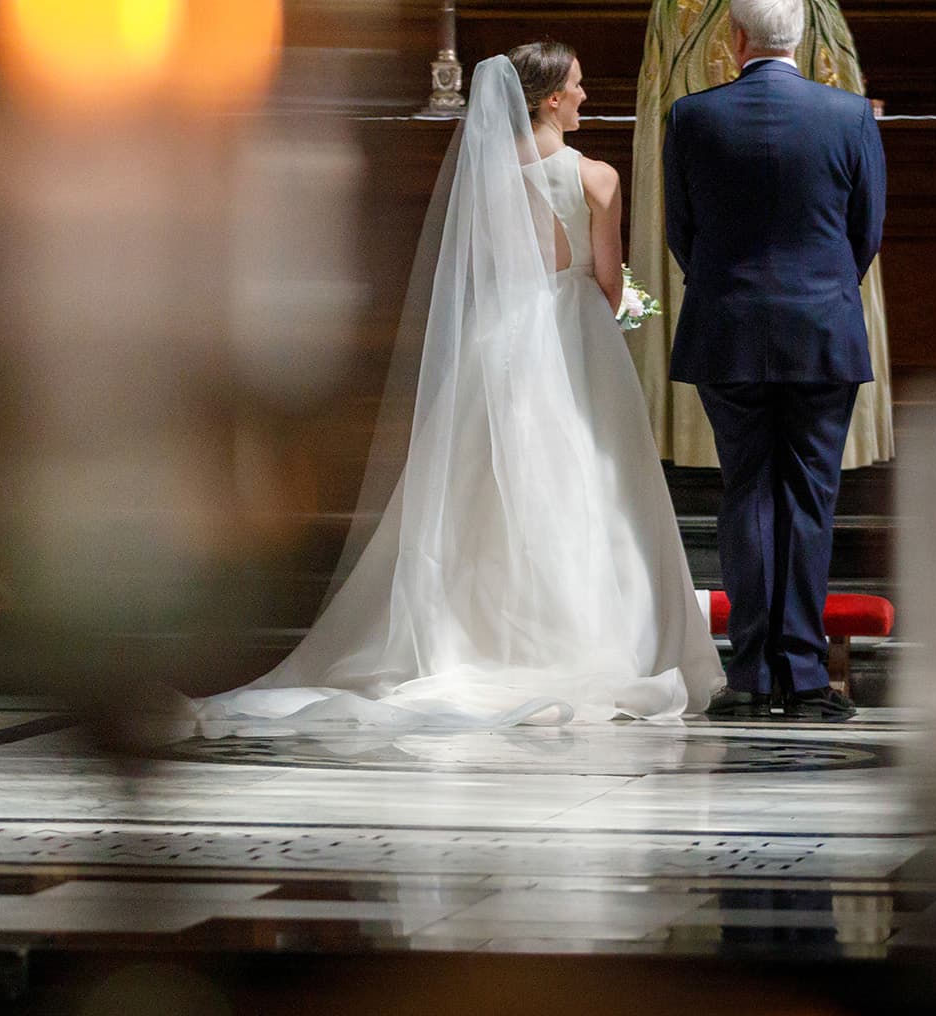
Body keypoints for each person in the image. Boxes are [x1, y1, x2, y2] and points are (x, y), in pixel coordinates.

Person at [192, 44, 723, 730]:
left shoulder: (490, 176)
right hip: (577, 341)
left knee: (490, 487)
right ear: (551, 99)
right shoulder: (596, 177)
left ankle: (480, 633)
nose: (586, 96)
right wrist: (645, 308)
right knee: (592, 483)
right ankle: (591, 637)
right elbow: (609, 283)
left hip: (502, 341)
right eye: (579, 86)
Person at [666, 0, 886, 721]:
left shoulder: (693, 116)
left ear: (735, 38)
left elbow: (681, 232)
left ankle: (754, 675)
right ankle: (803, 675)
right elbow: (866, 232)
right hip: (822, 328)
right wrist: (821, 291)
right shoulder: (850, 115)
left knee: (747, 492)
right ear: (805, 41)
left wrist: (732, 289)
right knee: (809, 499)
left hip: (728, 325)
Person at [630, 0, 891, 471]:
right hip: (811, 262)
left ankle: (686, 438)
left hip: (719, 262)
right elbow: (844, 103)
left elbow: (657, 115)